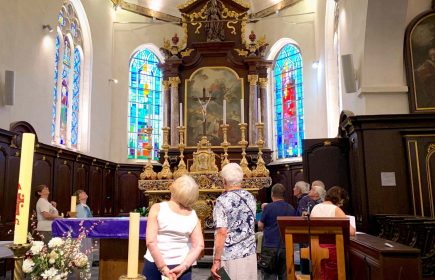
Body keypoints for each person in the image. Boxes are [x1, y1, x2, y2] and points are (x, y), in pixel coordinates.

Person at [143, 175, 204, 280]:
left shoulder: (157, 208)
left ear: (173, 188)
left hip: (154, 263)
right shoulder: (193, 214)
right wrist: (184, 266)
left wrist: (163, 268)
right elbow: (199, 245)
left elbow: (150, 242)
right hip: (181, 266)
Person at [211, 163, 257, 280]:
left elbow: (222, 232)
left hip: (230, 256)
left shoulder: (222, 201)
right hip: (250, 252)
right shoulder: (250, 197)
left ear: (224, 180)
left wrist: (216, 260)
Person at [310, 186, 356, 280]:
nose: (341, 205)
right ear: (338, 198)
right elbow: (351, 231)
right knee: (332, 275)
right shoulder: (334, 209)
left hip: (316, 246)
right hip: (331, 248)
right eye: (341, 201)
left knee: (320, 274)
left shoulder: (315, 207)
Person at [258, 183, 296, 280]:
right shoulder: (291, 208)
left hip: (270, 246)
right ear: (284, 195)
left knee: (269, 276)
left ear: (272, 194)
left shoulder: (268, 207)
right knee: (285, 275)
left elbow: (260, 225)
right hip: (286, 246)